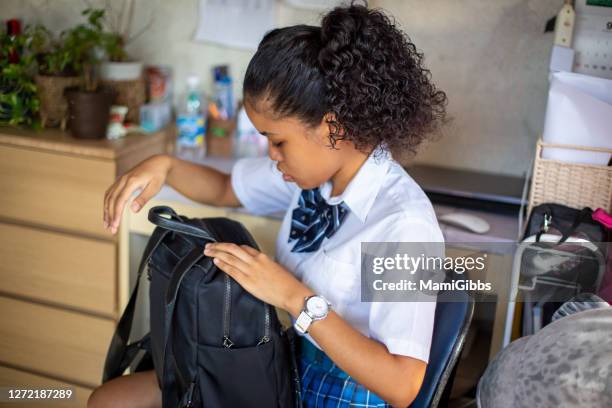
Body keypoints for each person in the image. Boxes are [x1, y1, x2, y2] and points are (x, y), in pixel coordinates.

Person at [89, 1, 448, 407]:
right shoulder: (317, 176)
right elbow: (226, 187)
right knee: (111, 400)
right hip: (279, 367)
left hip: (333, 395)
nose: (272, 155)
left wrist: (294, 297)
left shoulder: (404, 224)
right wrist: (164, 166)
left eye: (278, 141)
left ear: (334, 128)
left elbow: (402, 386)